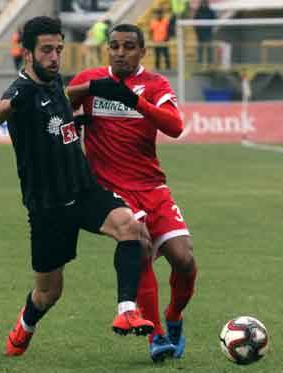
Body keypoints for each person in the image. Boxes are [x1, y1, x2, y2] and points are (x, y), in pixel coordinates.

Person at [0, 16, 154, 357]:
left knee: (132, 228)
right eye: (46, 50)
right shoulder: (22, 90)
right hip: (48, 206)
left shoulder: (54, 84)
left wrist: (83, 111)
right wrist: (12, 105)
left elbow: (60, 117)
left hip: (82, 190)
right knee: (48, 294)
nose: (54, 56)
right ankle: (25, 325)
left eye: (59, 49)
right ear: (28, 53)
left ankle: (126, 310)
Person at [67, 23, 197, 362]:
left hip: (153, 186)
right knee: (139, 250)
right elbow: (63, 102)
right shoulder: (92, 78)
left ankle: (173, 317)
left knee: (184, 260)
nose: (120, 52)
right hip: (112, 190)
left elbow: (175, 126)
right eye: (114, 46)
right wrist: (84, 97)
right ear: (107, 49)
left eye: (128, 46)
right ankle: (156, 336)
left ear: (142, 51)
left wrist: (134, 100)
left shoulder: (154, 85)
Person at [194, 0, 216, 64]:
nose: (204, 4)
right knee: (200, 48)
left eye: (205, 3)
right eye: (203, 3)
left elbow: (214, 21)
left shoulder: (211, 12)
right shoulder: (198, 12)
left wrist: (210, 30)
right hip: (200, 34)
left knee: (209, 48)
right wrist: (197, 32)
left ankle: (210, 61)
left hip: (208, 33)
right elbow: (195, 23)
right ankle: (199, 61)